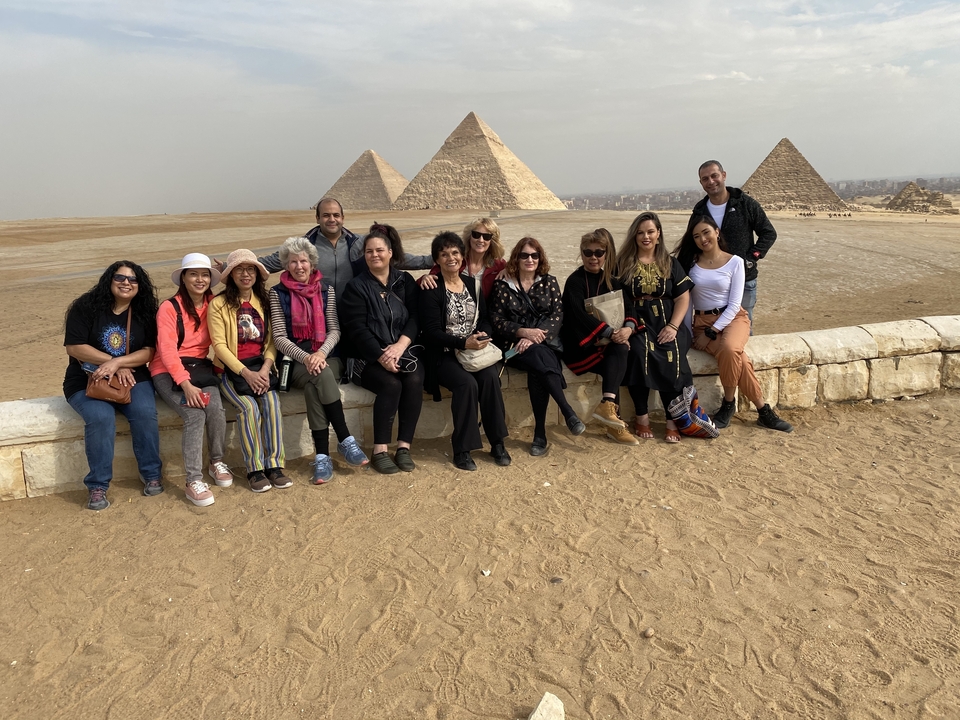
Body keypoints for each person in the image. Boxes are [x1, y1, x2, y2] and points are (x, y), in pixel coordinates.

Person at [676, 216, 793, 433]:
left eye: (706, 232)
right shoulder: (692, 265)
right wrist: (687, 332)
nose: (703, 239)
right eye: (697, 236)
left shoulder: (735, 262)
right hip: (701, 322)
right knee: (740, 358)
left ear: (717, 232)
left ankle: (728, 403)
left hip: (733, 319)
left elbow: (734, 305)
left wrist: (711, 332)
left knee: (730, 348)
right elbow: (688, 301)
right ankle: (763, 410)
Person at [268, 236, 368, 484]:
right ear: (285, 265)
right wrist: (307, 357)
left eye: (303, 261)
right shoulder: (277, 293)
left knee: (317, 381)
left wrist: (320, 354)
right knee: (318, 377)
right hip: (295, 360)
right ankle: (345, 439)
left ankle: (322, 456)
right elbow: (280, 337)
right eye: (292, 262)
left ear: (312, 263)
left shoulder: (327, 291)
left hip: (328, 356)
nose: (298, 266)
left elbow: (334, 329)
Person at [63, 261, 163, 510]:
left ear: (140, 285)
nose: (126, 283)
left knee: (144, 413)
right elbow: (74, 347)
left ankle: (151, 473)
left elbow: (149, 351)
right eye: (120, 278)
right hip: (87, 378)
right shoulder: (86, 306)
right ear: (109, 280)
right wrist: (112, 363)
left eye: (132, 279)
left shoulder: (145, 311)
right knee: (100, 417)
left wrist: (119, 363)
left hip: (132, 377)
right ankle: (97, 485)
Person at [419, 231, 510, 471]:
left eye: (456, 253)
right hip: (444, 354)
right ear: (436, 260)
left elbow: (486, 319)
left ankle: (497, 442)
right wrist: (463, 343)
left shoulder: (473, 285)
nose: (451, 258)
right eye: (444, 254)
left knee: (490, 378)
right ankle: (462, 448)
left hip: (474, 352)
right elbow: (430, 333)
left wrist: (482, 336)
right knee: (466, 385)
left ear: (462, 257)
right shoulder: (431, 288)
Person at [339, 223, 425, 474]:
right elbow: (357, 330)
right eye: (369, 251)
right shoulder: (356, 287)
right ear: (363, 256)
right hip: (363, 358)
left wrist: (399, 346)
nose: (374, 255)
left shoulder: (404, 281)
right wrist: (381, 355)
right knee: (391, 384)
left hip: (401, 350)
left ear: (390, 252)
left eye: (379, 250)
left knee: (415, 376)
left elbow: (415, 318)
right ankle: (380, 450)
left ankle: (404, 447)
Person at [489, 237, 586, 456]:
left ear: (540, 257)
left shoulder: (549, 281)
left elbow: (557, 314)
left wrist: (533, 337)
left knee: (537, 366)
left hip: (543, 343)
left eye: (534, 255)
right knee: (539, 358)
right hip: (513, 347)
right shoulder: (503, 285)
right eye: (524, 255)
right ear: (517, 257)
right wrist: (521, 332)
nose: (530, 259)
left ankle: (540, 433)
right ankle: (567, 411)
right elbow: (496, 319)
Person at [152, 253, 232, 507]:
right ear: (183, 278)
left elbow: (237, 294)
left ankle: (216, 461)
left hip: (200, 368)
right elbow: (166, 351)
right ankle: (193, 480)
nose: (200, 279)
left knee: (216, 410)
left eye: (205, 274)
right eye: (194, 274)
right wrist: (185, 385)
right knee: (194, 414)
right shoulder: (169, 308)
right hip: (167, 370)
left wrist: (228, 270)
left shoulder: (213, 303)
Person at [208, 249, 291, 492]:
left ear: (257, 273)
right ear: (231, 274)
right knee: (248, 407)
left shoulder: (264, 301)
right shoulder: (219, 304)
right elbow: (219, 346)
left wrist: (265, 369)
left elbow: (272, 341)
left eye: (250, 269)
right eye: (239, 269)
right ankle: (255, 469)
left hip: (261, 368)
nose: (246, 274)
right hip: (230, 373)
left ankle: (274, 465)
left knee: (272, 403)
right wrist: (246, 373)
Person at [616, 212, 696, 443]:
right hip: (637, 323)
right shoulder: (624, 264)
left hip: (668, 322)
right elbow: (615, 298)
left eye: (650, 231)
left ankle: (673, 418)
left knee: (671, 354)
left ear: (659, 234)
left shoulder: (670, 263)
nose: (646, 237)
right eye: (640, 232)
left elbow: (683, 297)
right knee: (639, 353)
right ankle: (642, 417)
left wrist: (673, 326)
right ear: (634, 236)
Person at [254, 198, 432, 298]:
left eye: (336, 215)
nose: (332, 219)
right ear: (317, 218)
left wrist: (434, 260)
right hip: (318, 314)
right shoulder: (304, 246)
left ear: (343, 218)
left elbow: (397, 259)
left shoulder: (360, 243)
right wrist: (235, 264)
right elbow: (270, 262)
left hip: (354, 311)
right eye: (326, 215)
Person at [560, 229, 638, 446]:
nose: (593, 257)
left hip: (608, 344)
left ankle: (609, 410)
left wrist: (628, 329)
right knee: (618, 358)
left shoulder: (612, 280)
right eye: (588, 252)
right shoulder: (574, 281)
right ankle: (615, 423)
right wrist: (611, 333)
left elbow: (630, 308)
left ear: (606, 254)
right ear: (581, 253)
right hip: (582, 347)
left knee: (620, 354)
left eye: (599, 252)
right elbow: (577, 314)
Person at [691, 160, 776, 328]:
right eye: (705, 179)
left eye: (714, 176)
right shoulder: (700, 210)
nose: (711, 181)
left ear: (723, 175)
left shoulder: (745, 203)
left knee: (742, 331)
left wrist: (751, 258)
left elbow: (768, 233)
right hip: (711, 282)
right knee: (713, 331)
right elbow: (691, 241)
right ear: (701, 183)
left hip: (744, 279)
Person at [419, 217, 507, 300]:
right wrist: (424, 278)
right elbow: (432, 278)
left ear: (492, 240)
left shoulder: (499, 266)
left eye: (486, 236)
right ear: (469, 237)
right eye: (476, 235)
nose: (481, 240)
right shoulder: (455, 260)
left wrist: (508, 270)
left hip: (484, 314)